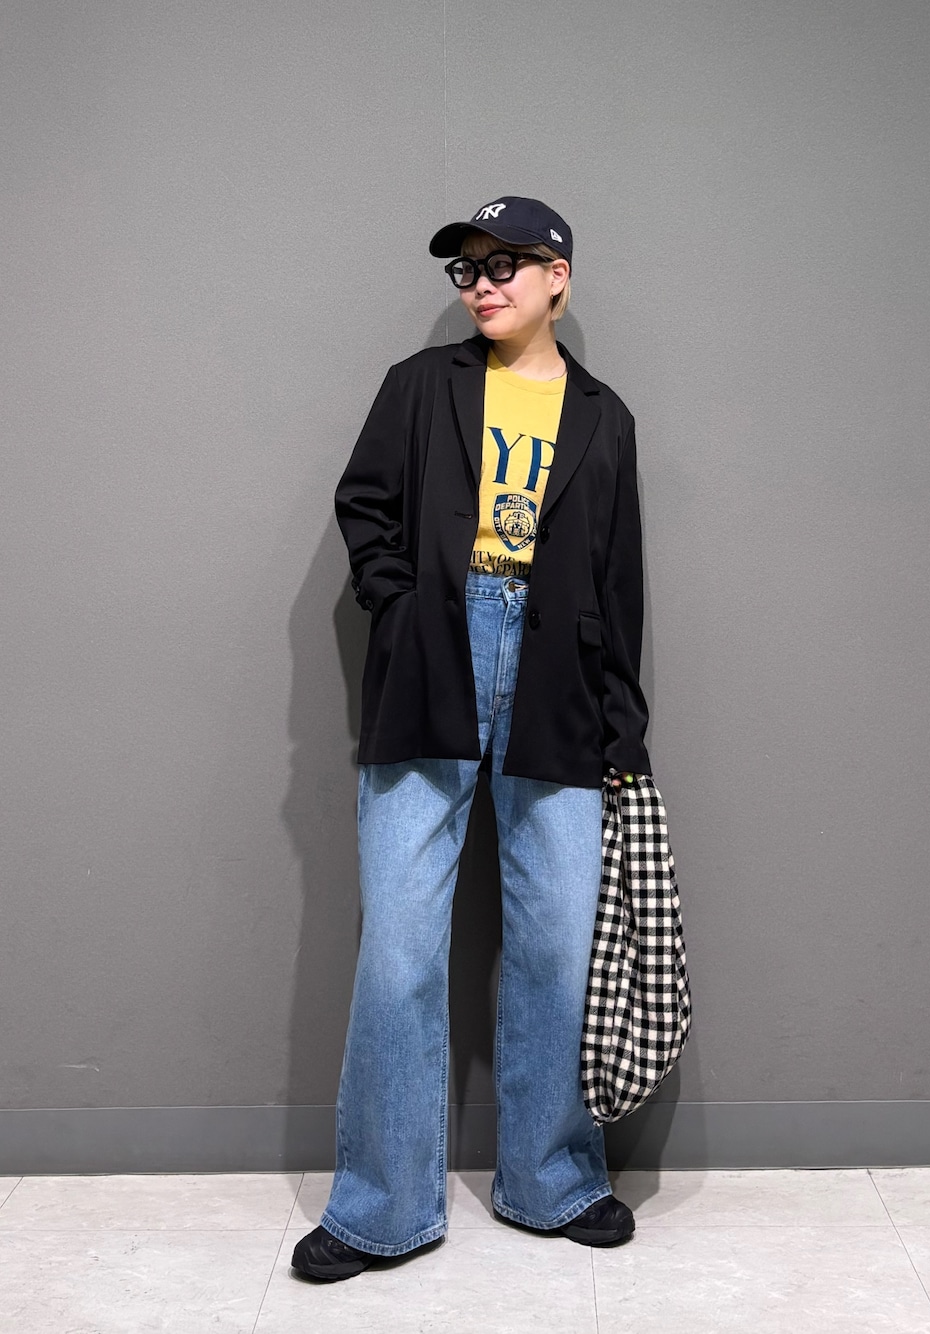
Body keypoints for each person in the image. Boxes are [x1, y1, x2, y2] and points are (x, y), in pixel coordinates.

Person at [292, 196, 651, 1282]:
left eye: (505, 265)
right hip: (434, 660)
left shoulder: (605, 418)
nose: (482, 284)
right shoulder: (420, 386)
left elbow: (619, 580)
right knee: (401, 946)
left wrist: (623, 728)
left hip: (560, 681)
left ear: (558, 277)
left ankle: (552, 1179)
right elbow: (366, 505)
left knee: (556, 942)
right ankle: (379, 1208)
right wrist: (399, 606)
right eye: (468, 269)